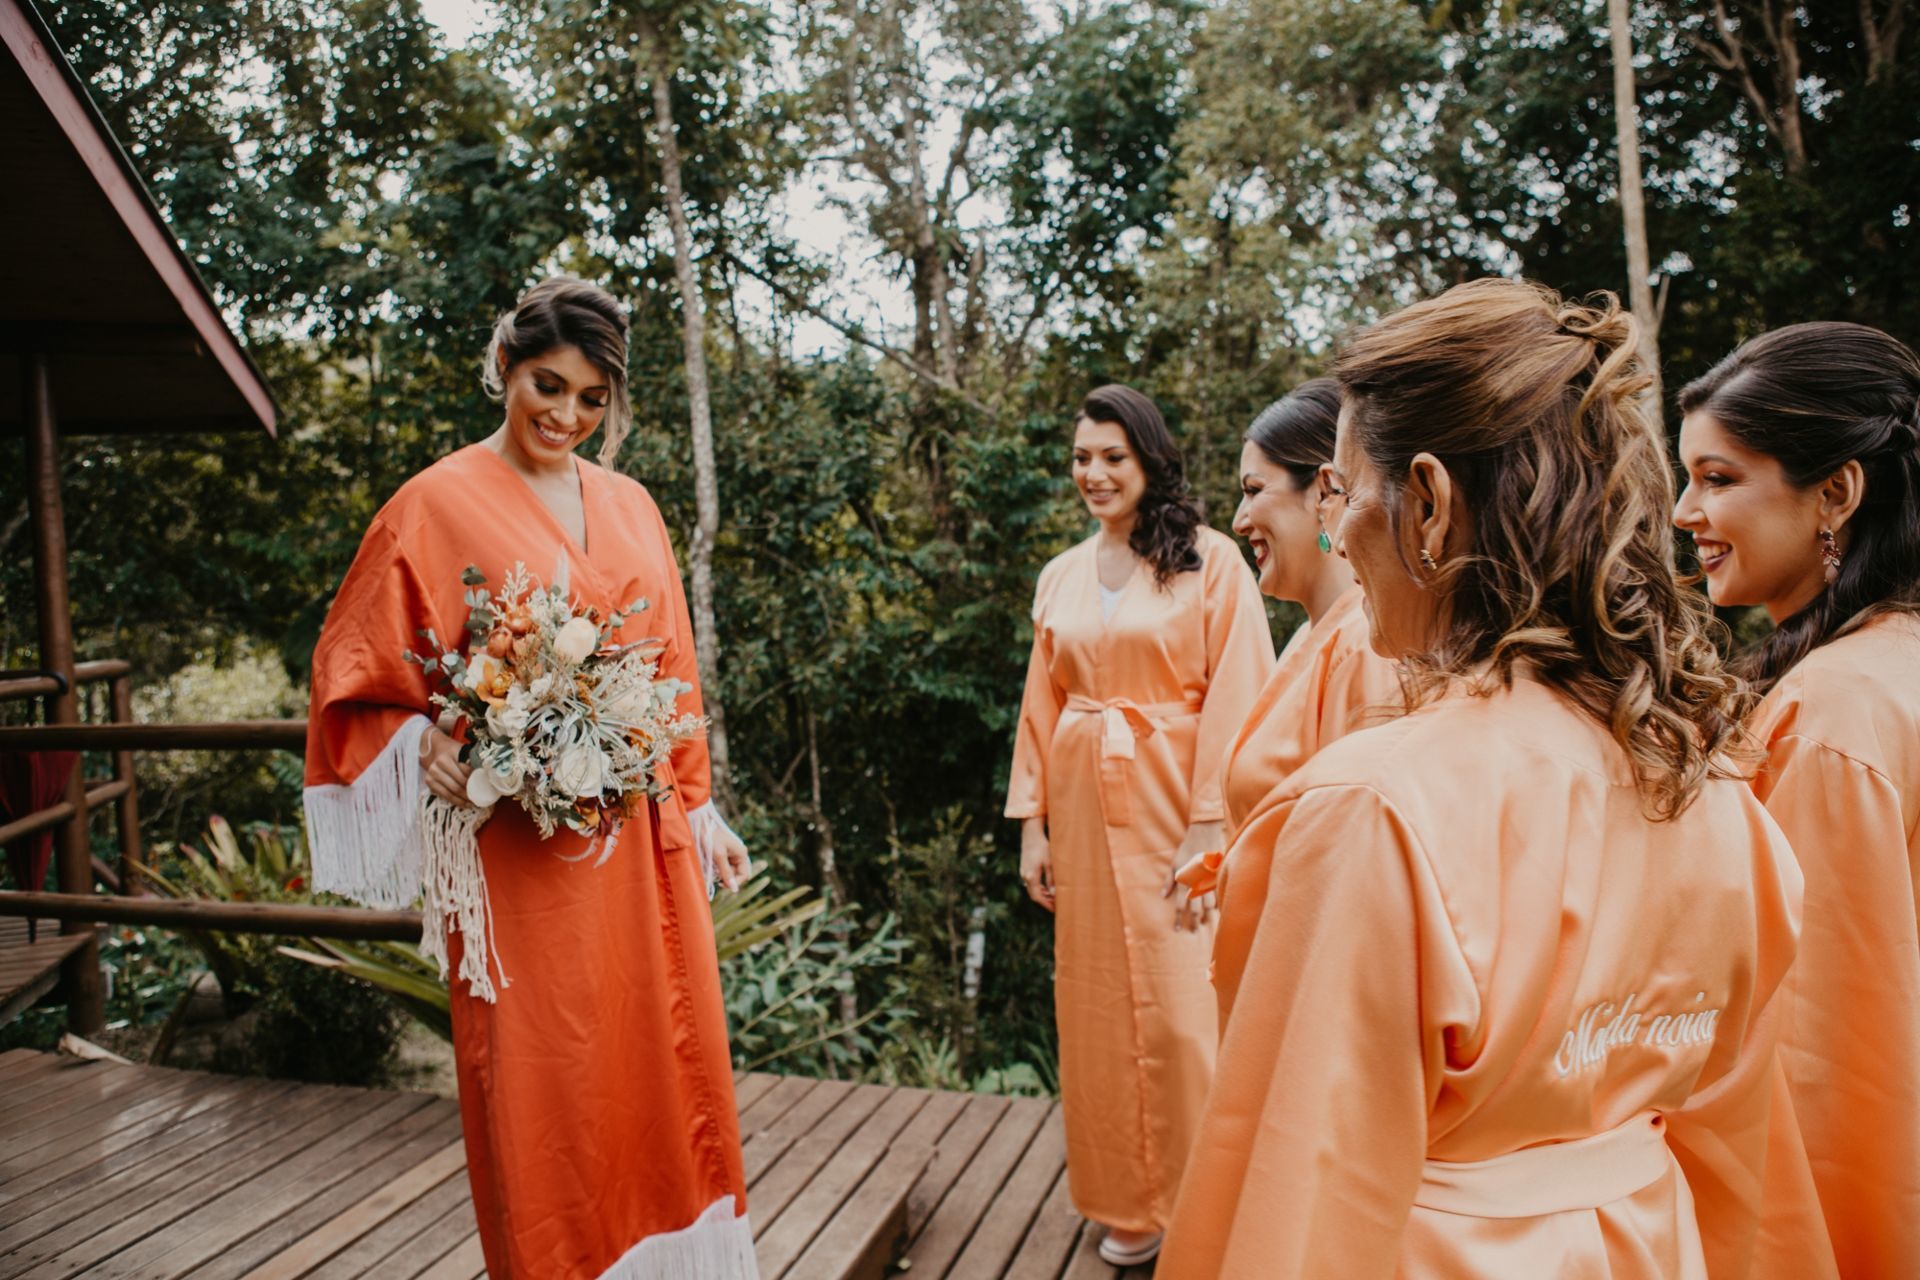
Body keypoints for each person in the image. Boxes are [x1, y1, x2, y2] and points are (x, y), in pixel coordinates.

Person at [1159, 279, 1829, 1279]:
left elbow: (1299, 1201)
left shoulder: (1373, 813)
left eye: (1346, 492)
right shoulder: (1719, 793)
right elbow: (1741, 1161)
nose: (1337, 534)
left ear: (1427, 502)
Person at [303, 278, 758, 1280]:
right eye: (547, 385)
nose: (565, 415)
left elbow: (670, 667)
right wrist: (416, 731)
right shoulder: (431, 502)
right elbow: (356, 665)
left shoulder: (633, 504)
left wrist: (701, 800)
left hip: (641, 843)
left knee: (658, 1058)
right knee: (540, 1086)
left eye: (592, 398)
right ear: (505, 364)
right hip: (517, 858)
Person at [1005, 384, 1273, 1267]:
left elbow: (1242, 691)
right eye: (1082, 457)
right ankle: (1129, 1201)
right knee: (1095, 1008)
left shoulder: (1211, 561)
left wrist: (1211, 822)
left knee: (1187, 1008)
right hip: (1082, 813)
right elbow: (1039, 709)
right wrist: (1032, 826)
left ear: (1150, 460)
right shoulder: (1059, 575)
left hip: (1177, 810)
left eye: (1112, 457)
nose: (1094, 473)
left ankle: (1208, 1202)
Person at [1673, 321, 1920, 1277]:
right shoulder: (1876, 673)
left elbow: (1818, 1063)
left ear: (1836, 493)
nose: (1686, 509)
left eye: (1719, 478)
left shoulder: (1835, 712)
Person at [1177, 379, 1402, 913]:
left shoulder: (1365, 648)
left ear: (1325, 491)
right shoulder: (1311, 635)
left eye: (1254, 491)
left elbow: (1358, 867)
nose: (1238, 520)